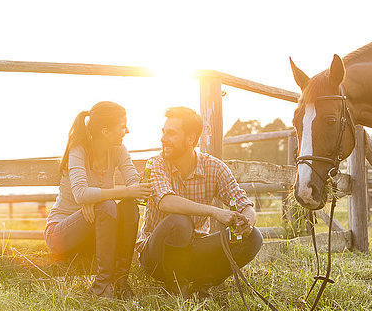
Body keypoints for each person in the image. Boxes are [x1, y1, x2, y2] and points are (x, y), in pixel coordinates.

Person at [136, 107, 263, 298]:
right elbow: (166, 202)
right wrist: (214, 212)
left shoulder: (214, 167)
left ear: (190, 139)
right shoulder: (156, 164)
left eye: (171, 133)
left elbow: (244, 203)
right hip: (157, 255)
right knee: (180, 221)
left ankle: (202, 285)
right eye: (163, 132)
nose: (163, 138)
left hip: (194, 251)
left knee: (254, 237)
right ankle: (175, 286)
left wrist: (246, 222)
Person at [45, 101, 151, 299]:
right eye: (122, 126)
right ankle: (101, 287)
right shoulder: (78, 150)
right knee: (107, 205)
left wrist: (141, 184)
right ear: (105, 131)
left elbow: (134, 184)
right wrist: (120, 193)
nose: (127, 131)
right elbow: (81, 194)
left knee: (128, 207)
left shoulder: (119, 149)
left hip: (96, 233)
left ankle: (120, 282)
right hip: (62, 234)